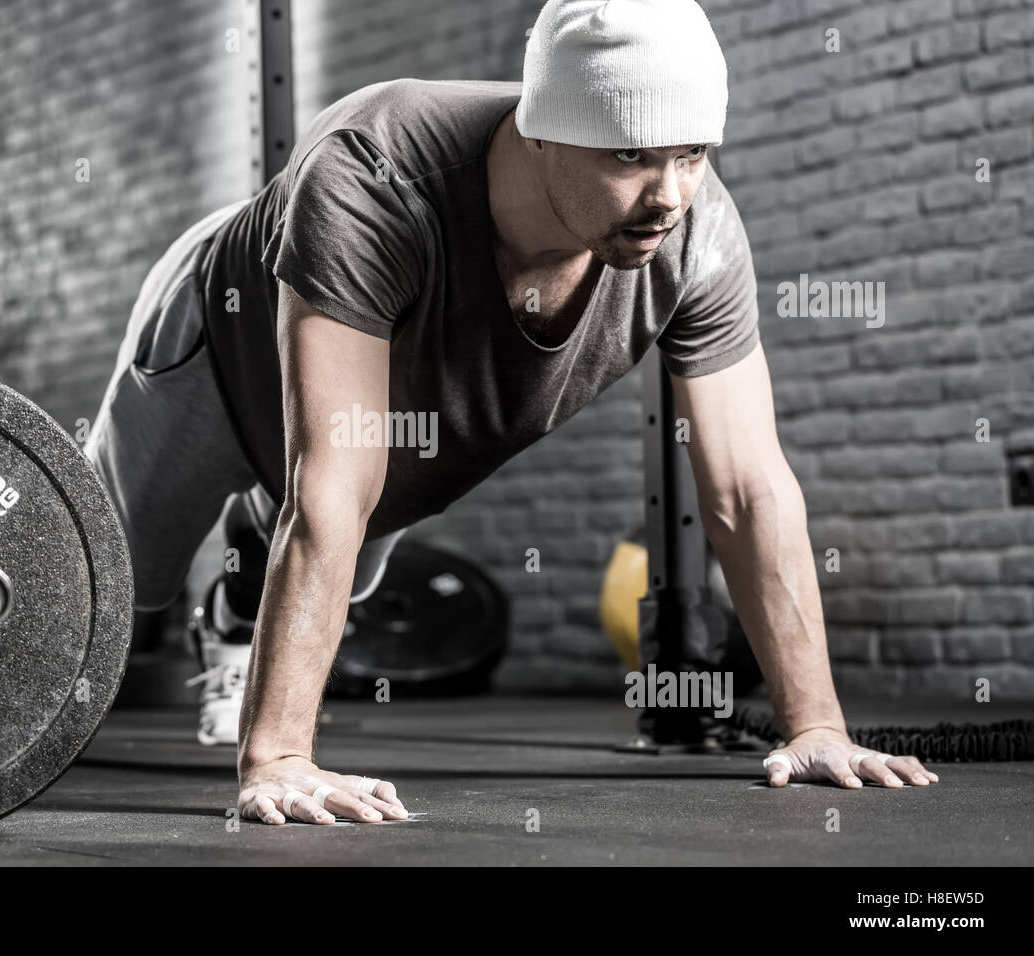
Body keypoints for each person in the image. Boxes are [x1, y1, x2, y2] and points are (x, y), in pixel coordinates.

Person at [86, 0, 939, 826]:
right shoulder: (373, 172)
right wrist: (277, 759)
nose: (669, 195)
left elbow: (750, 488)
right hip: (216, 344)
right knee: (104, 593)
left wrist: (816, 725)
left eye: (693, 154)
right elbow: (334, 481)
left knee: (332, 534)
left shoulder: (696, 237)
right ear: (540, 128)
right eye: (632, 154)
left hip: (392, 421)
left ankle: (236, 602)